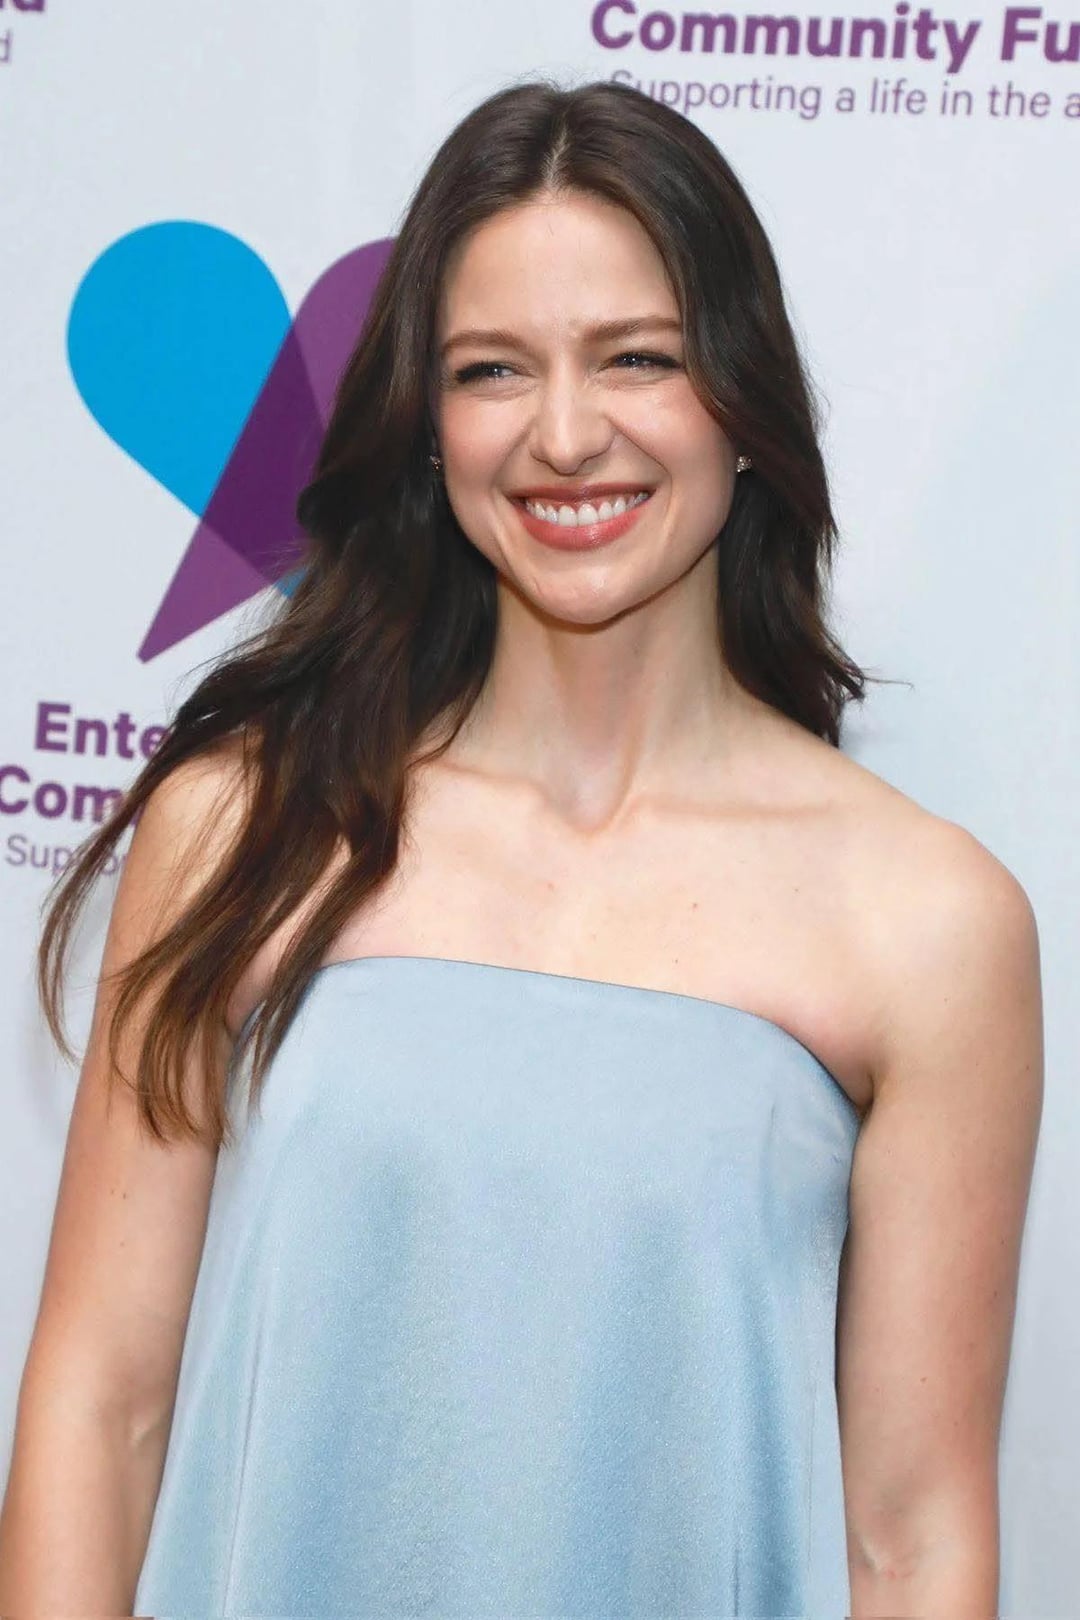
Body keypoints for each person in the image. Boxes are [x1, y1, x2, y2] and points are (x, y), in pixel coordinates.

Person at [0, 78, 1042, 1617]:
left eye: (639, 357)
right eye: (492, 370)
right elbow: (101, 1405)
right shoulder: (246, 824)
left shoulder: (925, 918)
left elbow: (913, 1538)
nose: (564, 435)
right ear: (428, 428)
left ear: (742, 403)